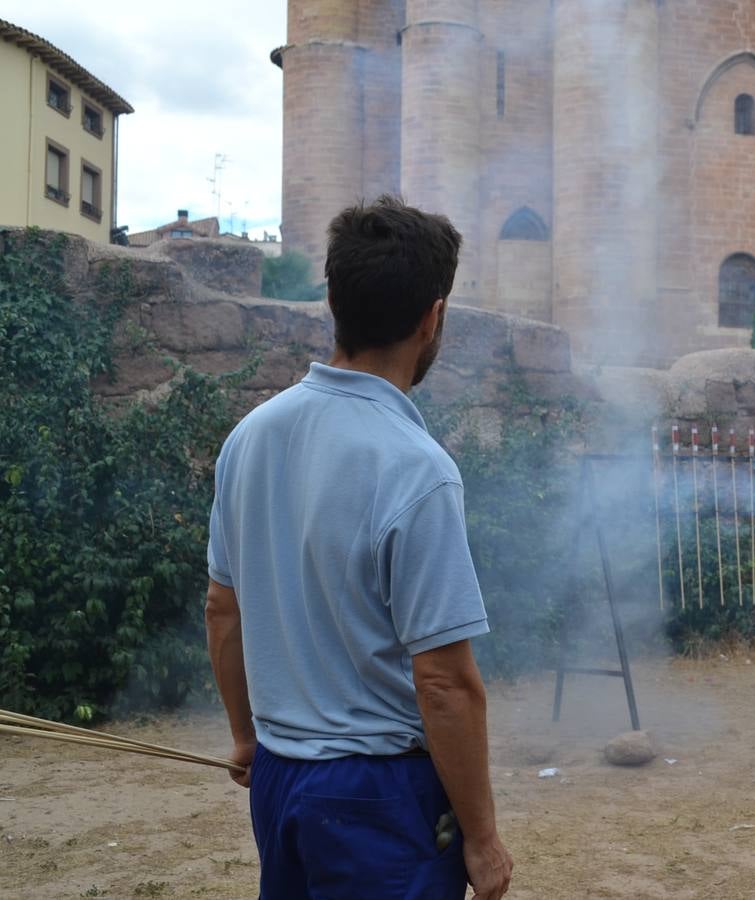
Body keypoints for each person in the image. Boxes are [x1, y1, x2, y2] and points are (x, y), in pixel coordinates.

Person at [205, 196, 513, 898]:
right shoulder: (416, 466)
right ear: (433, 317)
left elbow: (223, 608)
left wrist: (248, 737)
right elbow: (444, 683)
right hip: (380, 794)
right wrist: (484, 837)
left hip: (281, 778)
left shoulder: (249, 437)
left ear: (333, 303)